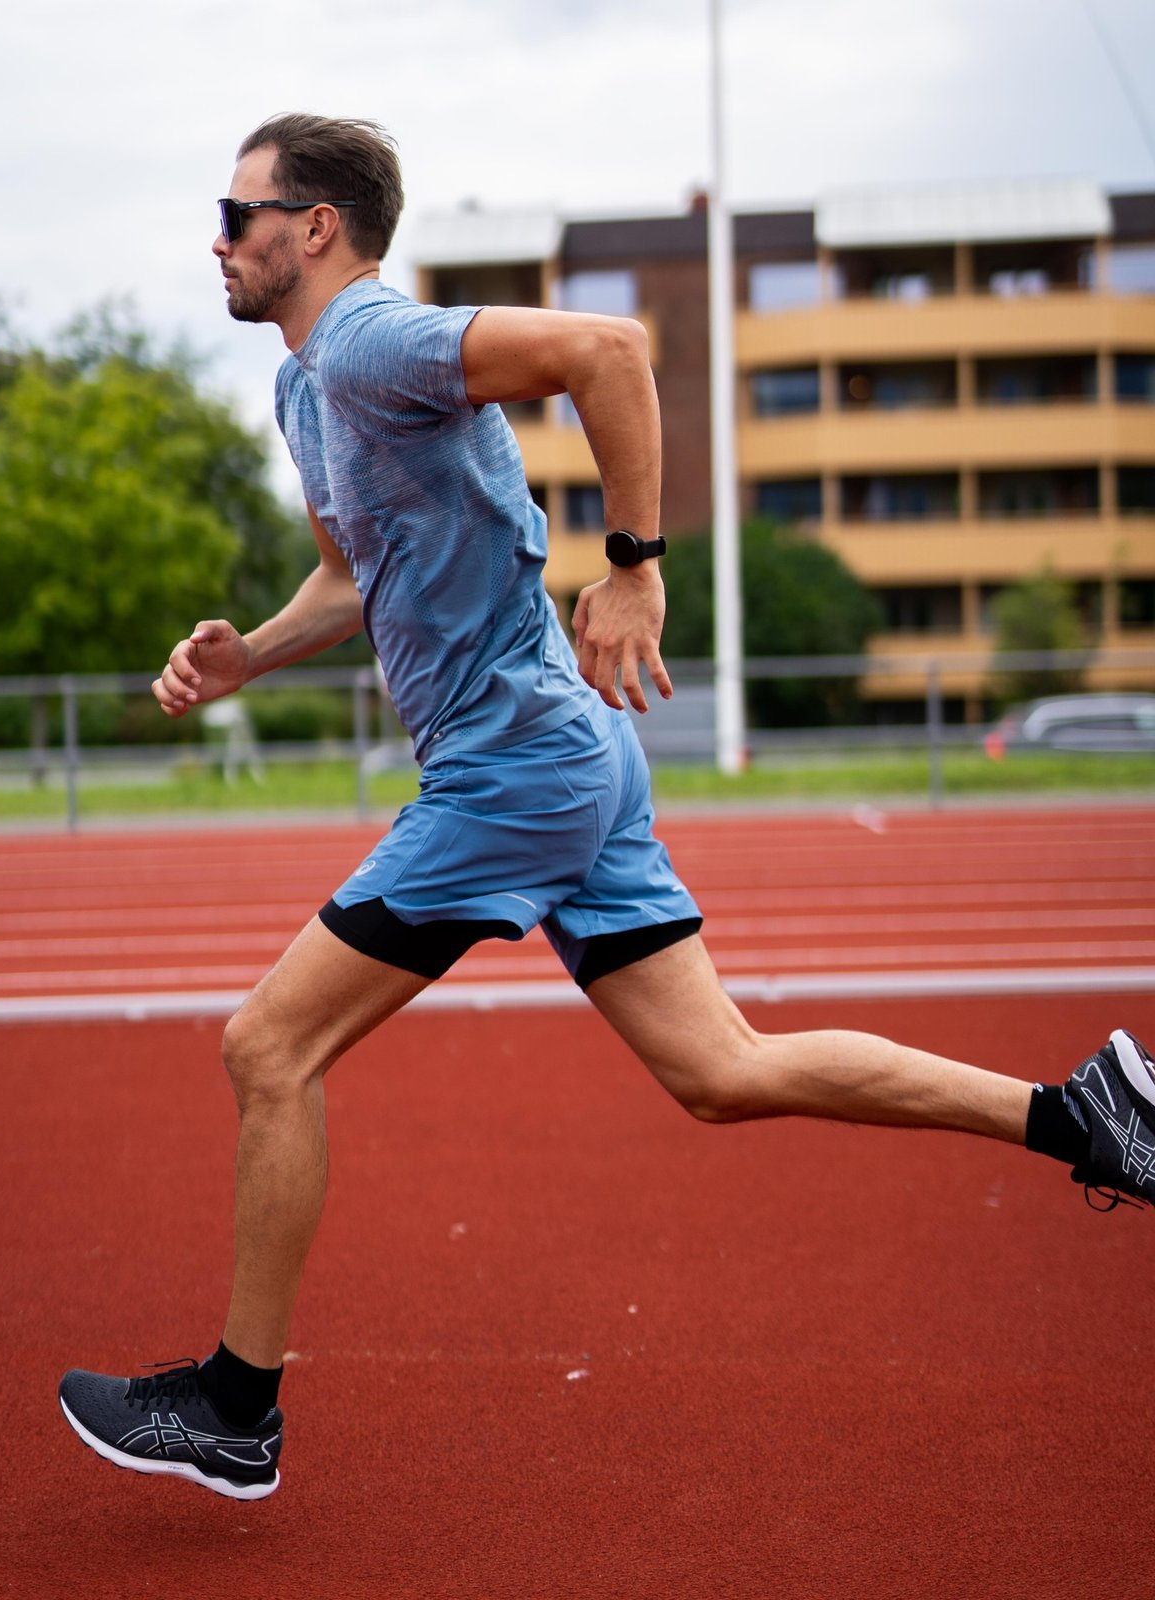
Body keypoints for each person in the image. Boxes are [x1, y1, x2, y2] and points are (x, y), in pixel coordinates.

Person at [58, 114, 1155, 1502]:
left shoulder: (370, 341)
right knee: (725, 1071)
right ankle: (1087, 1119)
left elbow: (610, 353)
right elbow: (355, 583)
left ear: (315, 227)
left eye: (239, 212)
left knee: (267, 1048)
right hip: (557, 757)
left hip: (511, 762)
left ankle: (235, 1407)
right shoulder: (302, 394)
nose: (217, 238)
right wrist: (248, 656)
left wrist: (635, 569)